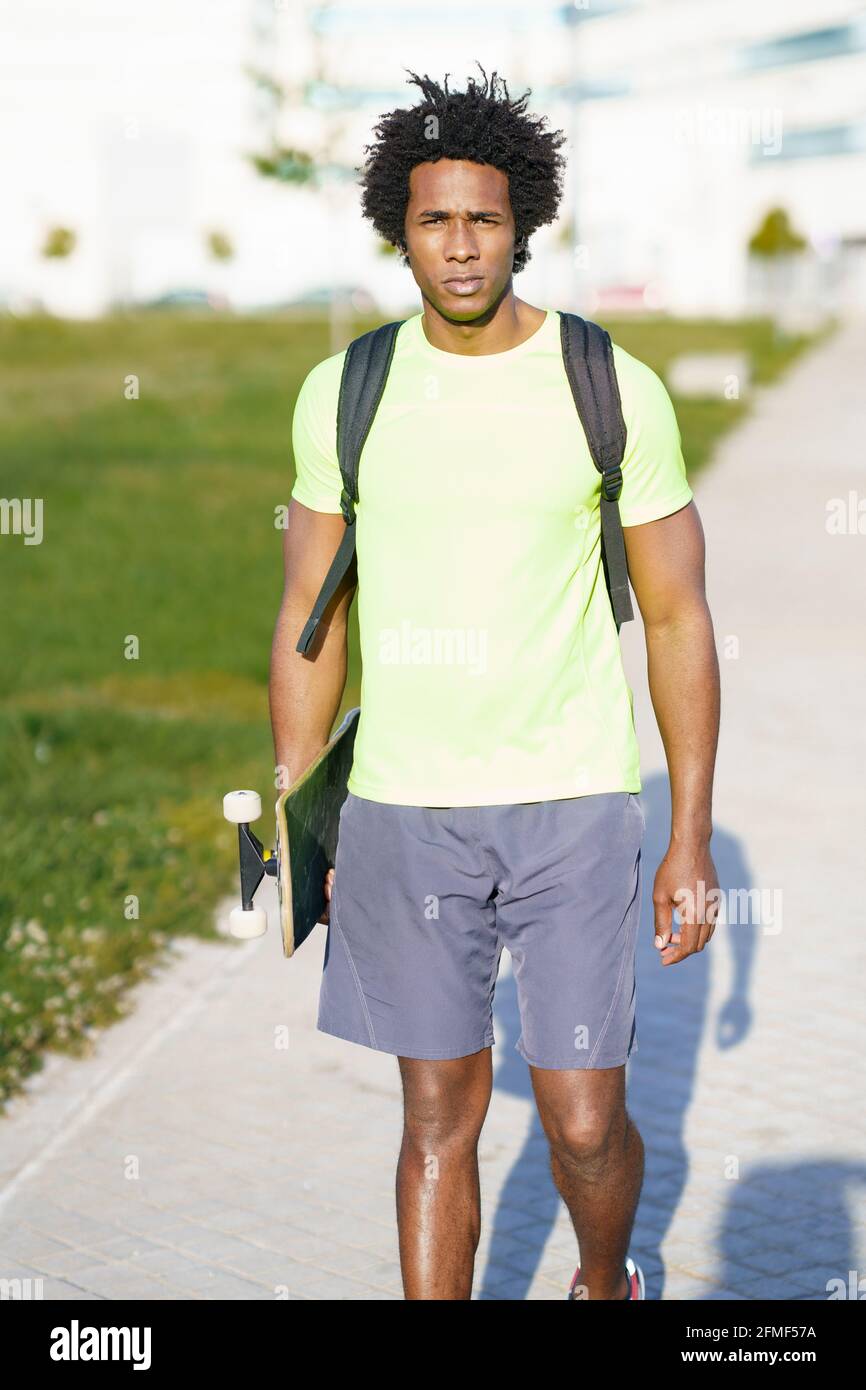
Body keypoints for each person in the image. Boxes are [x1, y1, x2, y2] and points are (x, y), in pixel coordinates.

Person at [269, 65, 720, 1301]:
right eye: (432, 221)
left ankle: (600, 1281)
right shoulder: (346, 391)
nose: (459, 248)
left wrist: (688, 834)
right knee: (436, 1115)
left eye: (481, 220)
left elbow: (676, 614)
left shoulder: (606, 384)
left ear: (521, 221)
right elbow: (312, 619)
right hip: (405, 811)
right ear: (396, 230)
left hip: (570, 799)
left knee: (580, 1119)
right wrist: (299, 812)